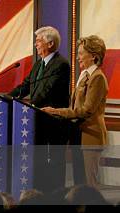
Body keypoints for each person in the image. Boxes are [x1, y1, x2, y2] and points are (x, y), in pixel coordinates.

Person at [8, 26, 71, 192]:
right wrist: (8, 98)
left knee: (56, 159)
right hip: (38, 119)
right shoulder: (38, 64)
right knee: (40, 157)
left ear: (50, 43)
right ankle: (42, 191)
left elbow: (48, 89)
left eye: (38, 41)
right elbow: (26, 86)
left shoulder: (61, 64)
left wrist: (32, 105)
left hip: (54, 120)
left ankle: (57, 193)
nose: (35, 44)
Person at [43, 35, 109, 188]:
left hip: (90, 137)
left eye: (81, 53)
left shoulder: (97, 77)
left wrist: (56, 111)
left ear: (93, 56)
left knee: (88, 185)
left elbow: (86, 110)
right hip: (78, 135)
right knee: (80, 184)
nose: (78, 57)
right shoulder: (84, 75)